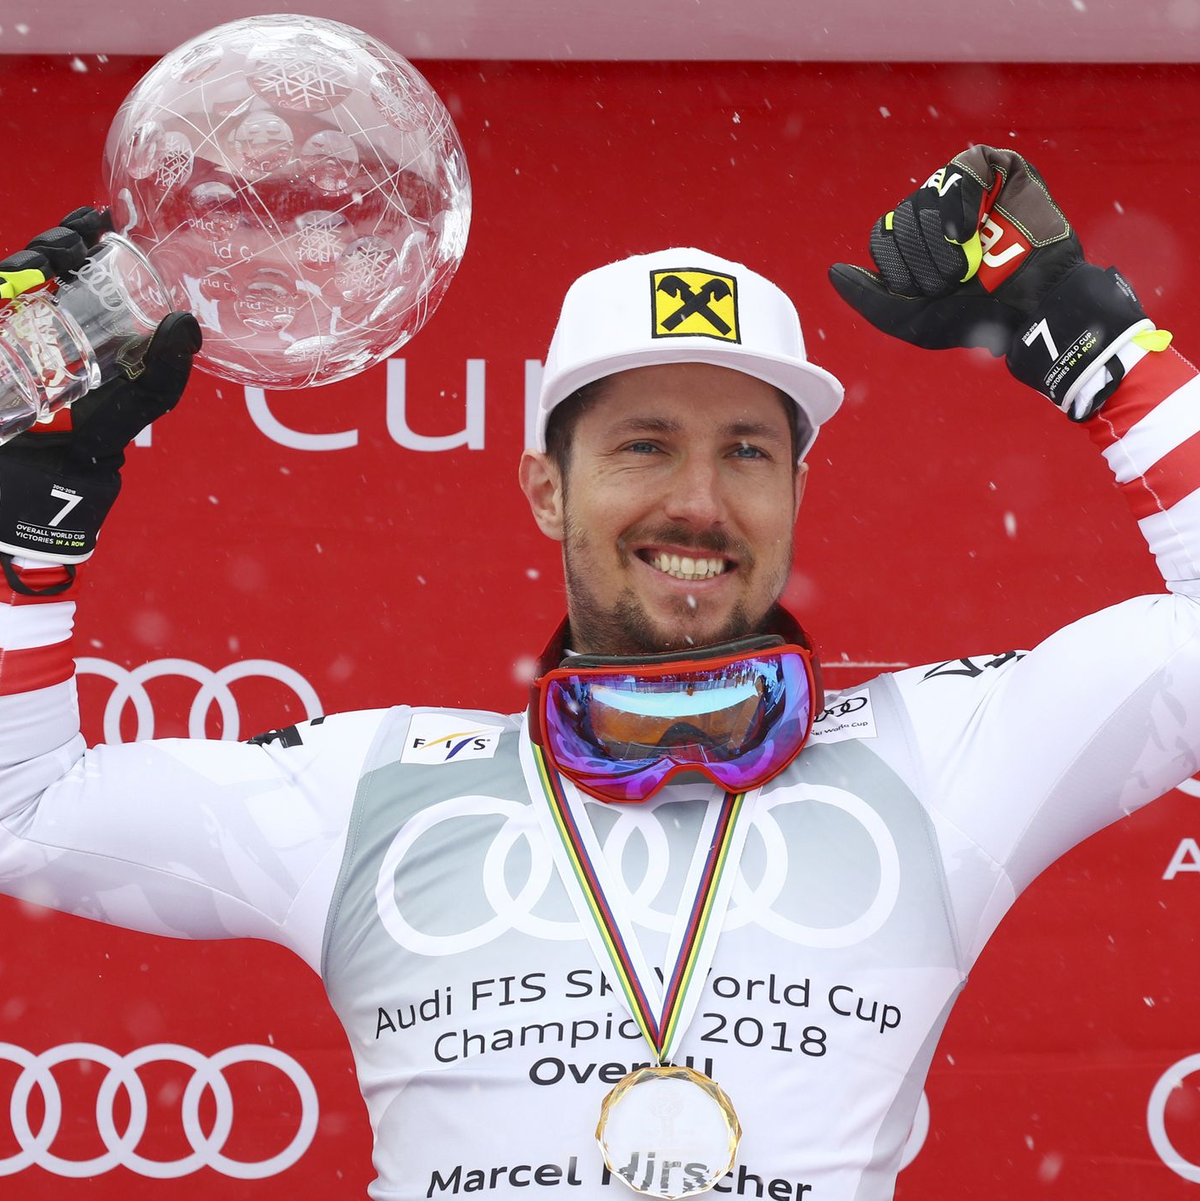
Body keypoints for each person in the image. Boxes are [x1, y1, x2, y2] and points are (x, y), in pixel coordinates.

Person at [0, 146, 1197, 1201]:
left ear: (795, 493)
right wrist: (25, 528)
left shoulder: (943, 757)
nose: (698, 499)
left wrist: (1096, 345)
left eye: (746, 450)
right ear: (544, 488)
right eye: (643, 445)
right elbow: (24, 812)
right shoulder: (368, 789)